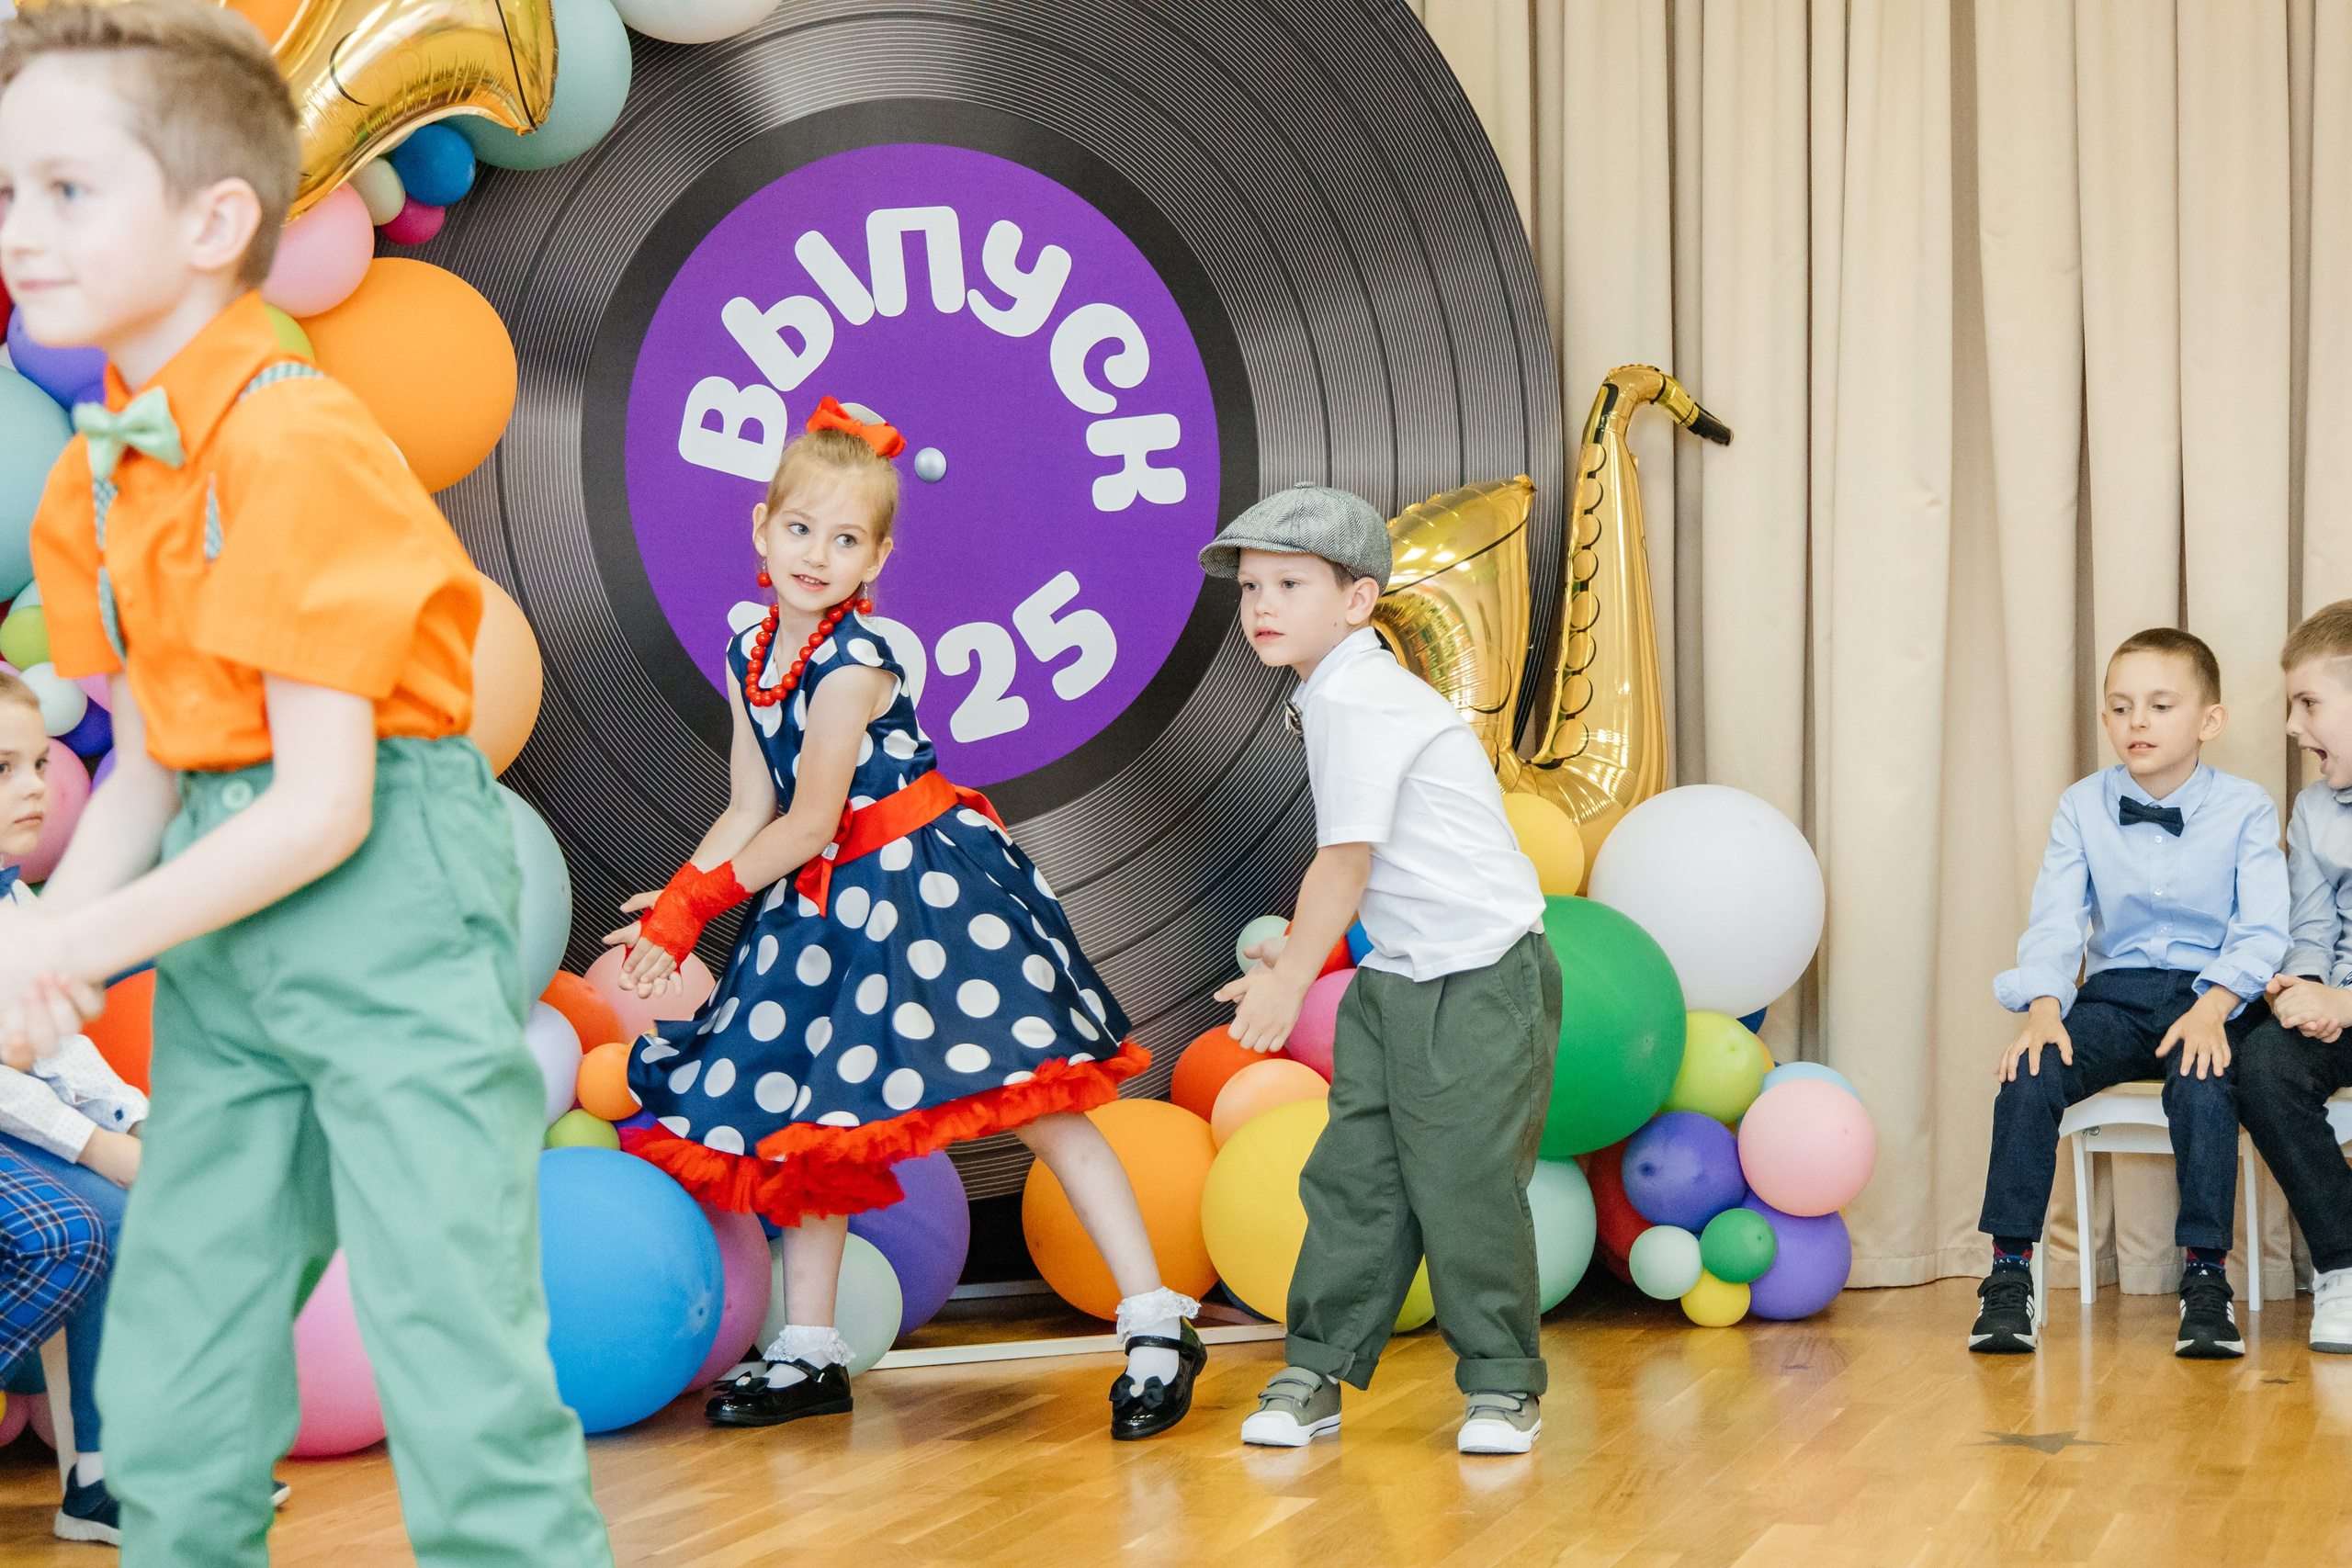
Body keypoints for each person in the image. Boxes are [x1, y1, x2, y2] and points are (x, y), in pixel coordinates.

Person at [0, 5, 613, 1562]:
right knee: (177, 1358)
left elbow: (323, 800)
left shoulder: (298, 444)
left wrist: (72, 946)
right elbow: (151, 761)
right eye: (9, 192)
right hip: (226, 915)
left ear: (215, 221)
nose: (24, 228)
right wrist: (35, 941)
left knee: (448, 1334)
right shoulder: (98, 476)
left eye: (70, 190)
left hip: (383, 885)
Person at [610, 400, 1204, 1440]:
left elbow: (808, 821)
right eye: (800, 529)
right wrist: (669, 901)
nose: (816, 554)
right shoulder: (749, 646)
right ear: (761, 528)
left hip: (927, 890)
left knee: (1038, 1098)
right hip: (826, 908)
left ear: (875, 559)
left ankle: (1155, 1324)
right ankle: (809, 1349)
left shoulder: (858, 662)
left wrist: (693, 912)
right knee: (813, 1124)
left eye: (845, 540)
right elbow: (748, 805)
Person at [1198, 483, 1560, 1457]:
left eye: (1288, 583)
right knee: (1355, 1181)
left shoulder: (1359, 695)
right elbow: (1387, 867)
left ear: (1356, 602)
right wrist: (1297, 951)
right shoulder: (1333, 693)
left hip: (1480, 981)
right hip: (1398, 979)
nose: (1260, 605)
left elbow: (1346, 861)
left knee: (1465, 1185)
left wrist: (1286, 985)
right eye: (1249, 587)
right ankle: (1313, 1374)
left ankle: (1501, 1387)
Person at [1972, 627, 2288, 1359]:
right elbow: (2056, 921)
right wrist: (2045, 1010)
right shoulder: (2082, 805)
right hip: (2113, 997)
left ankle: (2206, 1279)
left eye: (2159, 704)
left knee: (2205, 1080)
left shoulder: (2246, 807)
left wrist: (2214, 1007)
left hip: (2211, 995)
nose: (2137, 721)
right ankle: (2008, 1275)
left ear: (2209, 720)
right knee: (2029, 1071)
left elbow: (2263, 928)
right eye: (2120, 707)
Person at [0, 671, 188, 1544]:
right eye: (4, 768)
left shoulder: (18, 899)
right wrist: (92, 1143)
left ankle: (107, 1470)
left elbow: (61, 1043)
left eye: (38, 762)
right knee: (83, 1223)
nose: (37, 785)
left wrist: (131, 1119)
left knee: (127, 1208)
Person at [2234, 600, 2352, 1353]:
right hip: (2339, 1009)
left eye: (2309, 702)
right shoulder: (2313, 809)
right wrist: (2302, 991)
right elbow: (2310, 928)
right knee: (2261, 1062)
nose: (2291, 726)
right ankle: (2344, 1262)